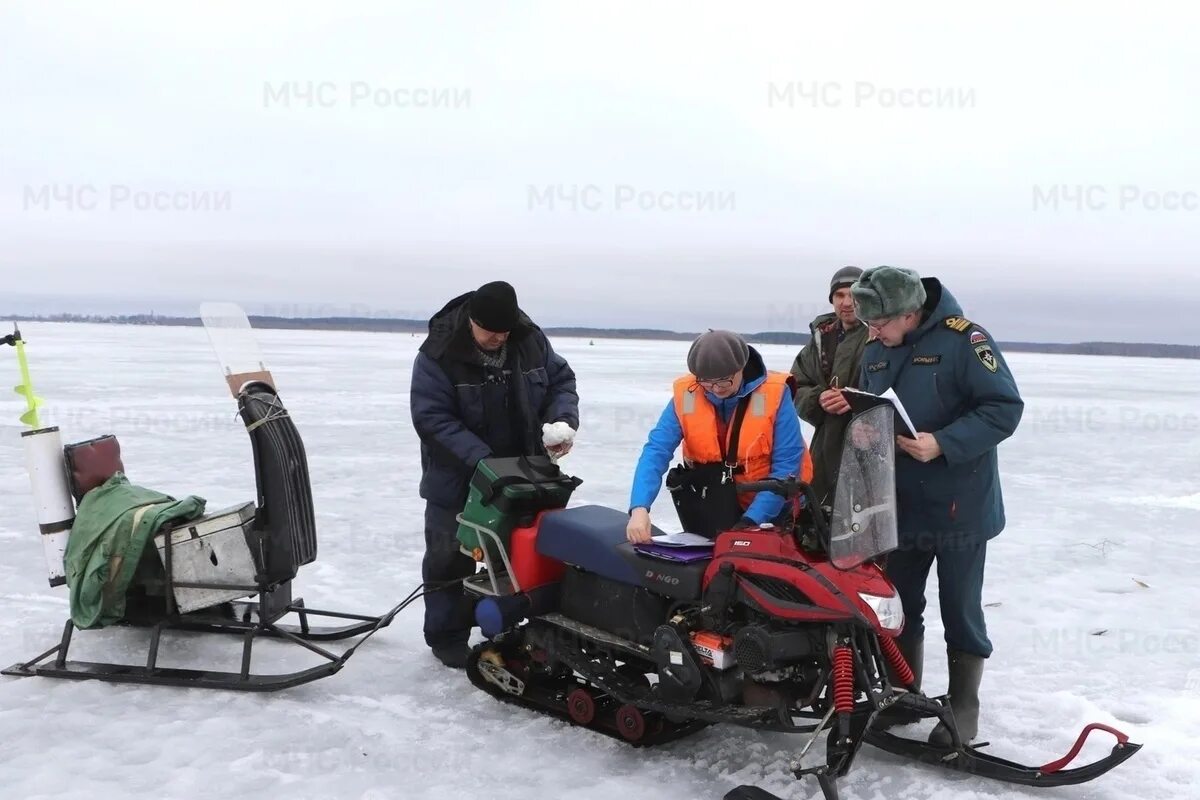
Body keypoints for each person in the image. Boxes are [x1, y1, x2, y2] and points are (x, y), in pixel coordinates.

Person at [850, 266, 1023, 745]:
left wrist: (943, 442)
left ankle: (963, 705)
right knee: (901, 604)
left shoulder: (964, 342)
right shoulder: (875, 349)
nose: (872, 332)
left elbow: (1004, 408)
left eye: (879, 323)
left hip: (959, 505)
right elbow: (874, 405)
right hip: (902, 504)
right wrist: (866, 428)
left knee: (960, 607)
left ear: (910, 313)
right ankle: (905, 694)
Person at [410, 280, 579, 668]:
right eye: (490, 332)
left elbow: (561, 381)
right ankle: (447, 635)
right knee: (448, 556)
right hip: (458, 478)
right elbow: (432, 418)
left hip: (523, 477)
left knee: (519, 554)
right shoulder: (438, 353)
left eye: (504, 332)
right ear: (472, 320)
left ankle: (512, 628)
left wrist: (561, 421)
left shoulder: (529, 340)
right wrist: (485, 462)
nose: (497, 339)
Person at [626, 330, 805, 543]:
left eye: (724, 381)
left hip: (772, 510)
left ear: (741, 367)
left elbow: (787, 466)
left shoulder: (775, 394)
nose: (716, 389)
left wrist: (749, 522)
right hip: (714, 504)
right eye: (707, 382)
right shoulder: (688, 394)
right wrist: (639, 507)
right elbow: (656, 451)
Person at [789, 266, 871, 507]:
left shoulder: (881, 334)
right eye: (840, 295)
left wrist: (854, 400)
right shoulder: (821, 338)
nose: (847, 302)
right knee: (820, 515)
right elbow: (796, 384)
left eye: (854, 295)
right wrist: (818, 398)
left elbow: (894, 392)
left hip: (868, 446)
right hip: (825, 444)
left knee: (862, 519)